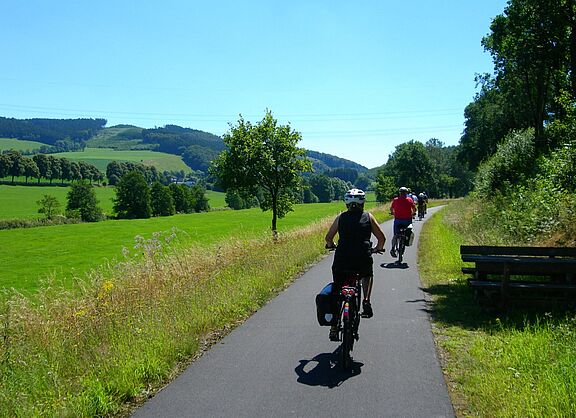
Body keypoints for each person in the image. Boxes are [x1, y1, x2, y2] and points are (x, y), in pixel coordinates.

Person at [325, 188, 386, 341]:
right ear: (363, 203)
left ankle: (333, 327)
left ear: (346, 203)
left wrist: (331, 244)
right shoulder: (368, 217)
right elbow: (382, 239)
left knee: (338, 289)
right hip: (362, 257)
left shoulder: (341, 218)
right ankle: (366, 301)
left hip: (342, 258)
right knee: (367, 274)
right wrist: (377, 249)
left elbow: (328, 237)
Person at [389, 187, 416, 258]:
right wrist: (413, 213)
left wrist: (392, 213)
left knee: (395, 235)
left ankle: (392, 249)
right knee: (409, 233)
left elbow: (391, 208)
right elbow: (414, 208)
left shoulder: (395, 200)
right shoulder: (409, 200)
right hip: (407, 220)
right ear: (406, 193)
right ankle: (406, 240)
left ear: (399, 193)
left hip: (398, 220)